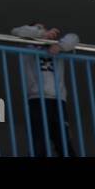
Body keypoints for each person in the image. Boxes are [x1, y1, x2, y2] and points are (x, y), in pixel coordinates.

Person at [10, 23, 81, 157]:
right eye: (38, 28)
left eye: (44, 28)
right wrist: (40, 33)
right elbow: (16, 30)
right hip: (37, 99)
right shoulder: (27, 47)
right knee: (39, 142)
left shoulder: (57, 46)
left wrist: (59, 46)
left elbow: (74, 37)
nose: (43, 30)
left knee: (63, 142)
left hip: (59, 101)